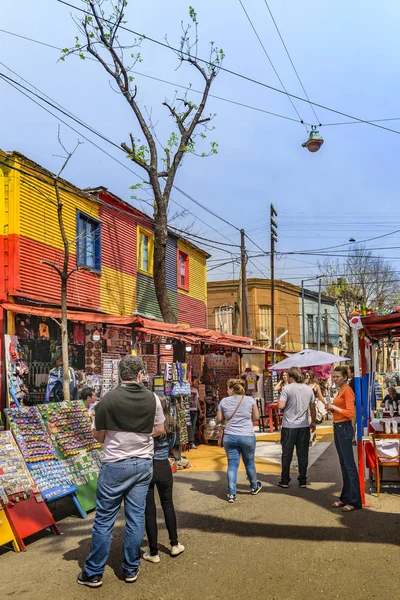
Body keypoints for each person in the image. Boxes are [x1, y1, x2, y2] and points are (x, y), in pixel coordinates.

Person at [77, 356, 165, 589]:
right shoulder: (152, 398)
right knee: (136, 518)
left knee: (105, 519)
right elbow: (159, 430)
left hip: (115, 464)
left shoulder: (106, 401)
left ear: (118, 375)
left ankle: (94, 572)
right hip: (143, 464)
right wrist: (140, 436)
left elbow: (98, 435)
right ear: (139, 375)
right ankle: (131, 569)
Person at [143, 397, 184, 563]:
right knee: (168, 504)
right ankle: (174, 544)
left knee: (149, 510)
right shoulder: (172, 423)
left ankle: (153, 552)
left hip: (146, 466)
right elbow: (173, 445)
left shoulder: (146, 424)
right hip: (163, 465)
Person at [217, 378, 262, 503]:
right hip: (247, 435)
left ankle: (232, 493)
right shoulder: (250, 400)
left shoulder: (224, 401)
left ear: (231, 389)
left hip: (230, 436)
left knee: (232, 465)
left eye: (227, 388)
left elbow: (219, 419)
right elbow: (256, 417)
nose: (227, 390)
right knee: (249, 463)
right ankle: (254, 486)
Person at [326, 366, 362, 512]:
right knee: (344, 465)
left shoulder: (347, 390)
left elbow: (349, 412)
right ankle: (345, 497)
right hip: (338, 427)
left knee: (349, 466)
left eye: (337, 377)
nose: (334, 379)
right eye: (333, 377)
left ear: (345, 377)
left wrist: (334, 408)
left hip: (344, 428)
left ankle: (354, 501)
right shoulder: (341, 390)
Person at [277, 367, 316, 489]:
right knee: (303, 454)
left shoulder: (286, 389)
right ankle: (303, 479)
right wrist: (313, 421)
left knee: (287, 454)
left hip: (289, 426)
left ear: (291, 377)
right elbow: (312, 407)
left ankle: (285, 479)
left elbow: (281, 405)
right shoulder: (309, 389)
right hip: (303, 426)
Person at [188, 377, 202, 449]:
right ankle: (189, 441)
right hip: (187, 410)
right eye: (195, 381)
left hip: (194, 410)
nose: (196, 383)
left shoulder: (195, 390)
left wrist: (200, 411)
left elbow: (197, 401)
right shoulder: (185, 390)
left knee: (193, 427)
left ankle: (191, 442)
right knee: (188, 426)